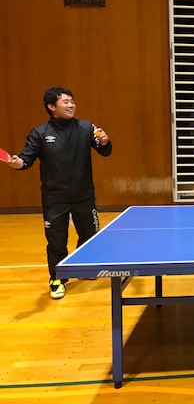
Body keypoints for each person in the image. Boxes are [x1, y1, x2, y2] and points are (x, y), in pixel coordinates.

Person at [4, 88, 112, 300]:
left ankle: (83, 267)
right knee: (56, 242)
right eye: (65, 102)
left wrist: (105, 142)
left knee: (90, 236)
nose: (71, 105)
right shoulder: (40, 133)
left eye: (72, 101)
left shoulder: (86, 128)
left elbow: (105, 151)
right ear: (51, 107)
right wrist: (17, 163)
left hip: (84, 195)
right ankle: (57, 280)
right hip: (55, 198)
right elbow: (26, 159)